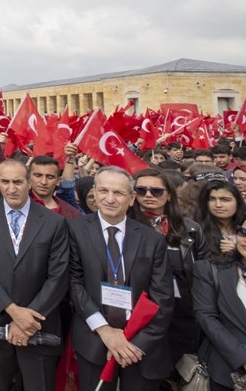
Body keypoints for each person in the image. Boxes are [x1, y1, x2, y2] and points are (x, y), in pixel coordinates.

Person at [67, 166, 175, 391]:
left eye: (118, 193)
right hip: (94, 338)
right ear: (94, 193)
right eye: (103, 190)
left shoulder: (151, 240)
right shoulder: (73, 229)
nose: (109, 199)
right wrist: (105, 330)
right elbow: (74, 283)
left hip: (139, 347)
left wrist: (134, 344)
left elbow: (163, 298)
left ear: (132, 198)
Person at [0, 159, 69, 391]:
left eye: (17, 181)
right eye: (5, 181)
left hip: (38, 322)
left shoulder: (54, 222)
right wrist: (13, 311)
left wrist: (28, 320)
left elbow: (58, 276)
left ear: (29, 183)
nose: (11, 188)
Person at [132, 167, 206, 376]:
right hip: (143, 312)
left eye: (156, 191)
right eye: (141, 190)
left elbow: (201, 268)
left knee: (183, 371)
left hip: (182, 312)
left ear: (169, 195)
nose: (148, 195)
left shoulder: (189, 228)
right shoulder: (126, 226)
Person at [192, 220, 246, 390]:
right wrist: (241, 358)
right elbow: (206, 317)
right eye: (243, 232)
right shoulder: (210, 269)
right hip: (226, 371)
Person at [196, 180, 246, 265]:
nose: (218, 205)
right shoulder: (197, 229)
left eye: (225, 200)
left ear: (237, 201)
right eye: (212, 199)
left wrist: (238, 252)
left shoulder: (244, 225)